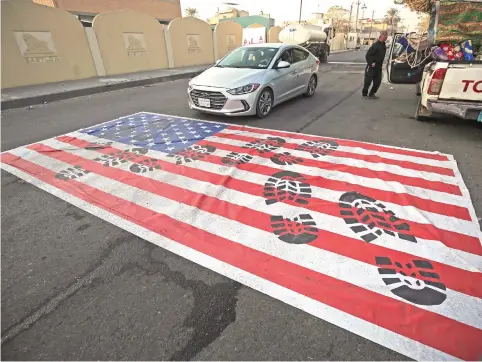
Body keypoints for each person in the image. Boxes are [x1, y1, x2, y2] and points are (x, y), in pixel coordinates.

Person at [362, 31, 388, 99]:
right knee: (368, 81)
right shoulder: (375, 45)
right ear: (381, 36)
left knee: (378, 81)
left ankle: (372, 93)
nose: (386, 37)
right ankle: (364, 92)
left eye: (387, 36)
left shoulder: (384, 46)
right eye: (385, 36)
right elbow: (368, 55)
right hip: (372, 67)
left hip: (378, 67)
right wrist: (371, 63)